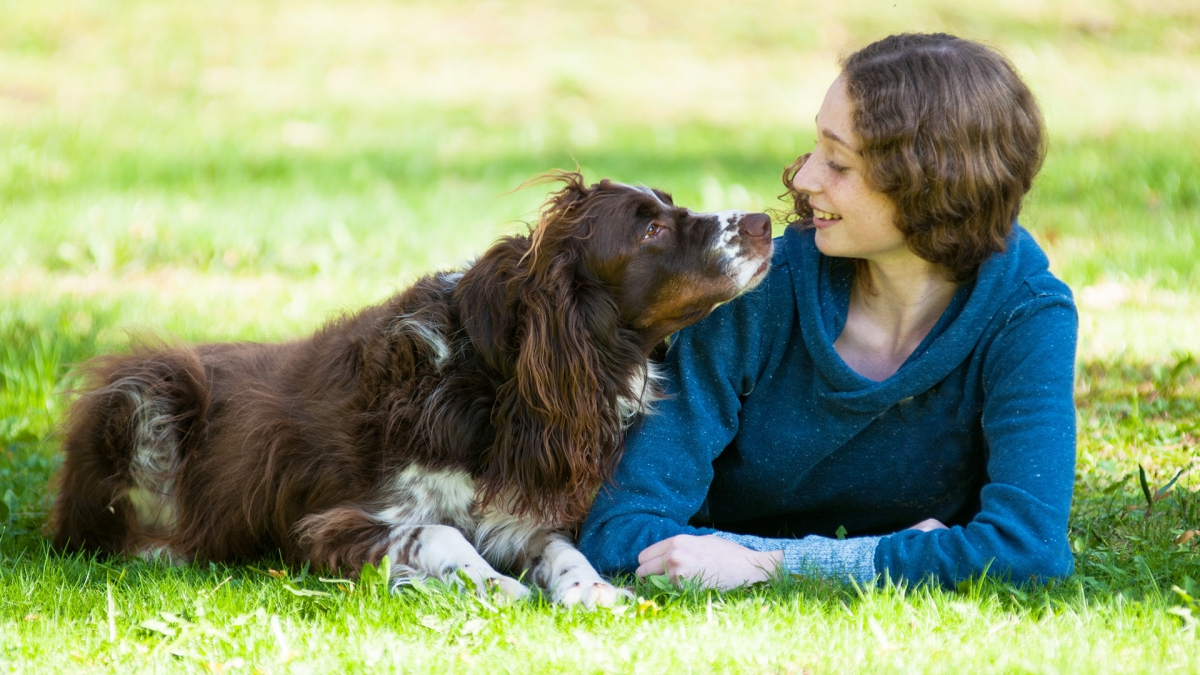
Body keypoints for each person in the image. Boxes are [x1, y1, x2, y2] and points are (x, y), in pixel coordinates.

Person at [577, 33, 1078, 589]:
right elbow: (616, 532)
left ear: (931, 187)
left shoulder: (1026, 314)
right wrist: (914, 554)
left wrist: (766, 566)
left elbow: (1030, 549)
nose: (804, 178)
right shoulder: (758, 293)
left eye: (838, 163)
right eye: (817, 147)